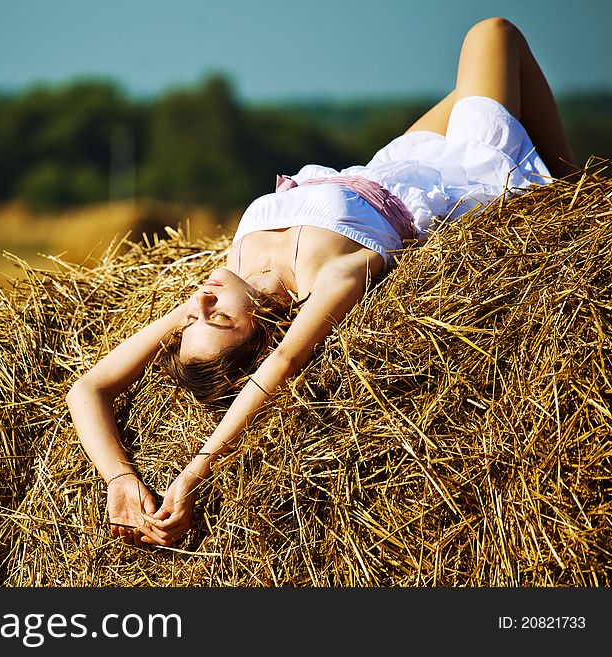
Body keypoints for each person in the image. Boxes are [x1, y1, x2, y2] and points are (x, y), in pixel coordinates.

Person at [66, 17, 576, 547]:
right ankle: (570, 197)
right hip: (456, 175)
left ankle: (568, 192)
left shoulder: (219, 290)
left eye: (192, 315)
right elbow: (282, 363)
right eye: (215, 317)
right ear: (260, 324)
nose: (198, 300)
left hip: (393, 162)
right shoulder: (327, 277)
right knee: (492, 36)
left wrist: (118, 479)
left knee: (492, 74)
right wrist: (195, 472)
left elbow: (89, 388)